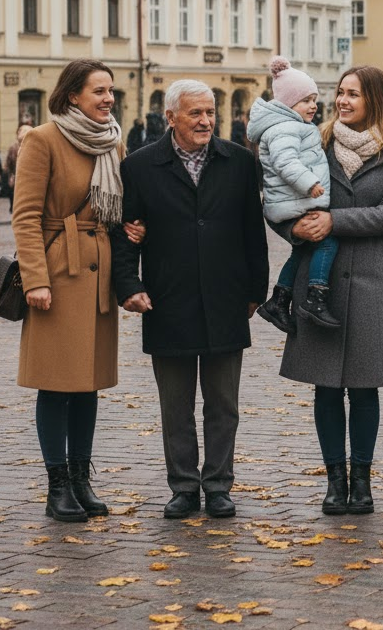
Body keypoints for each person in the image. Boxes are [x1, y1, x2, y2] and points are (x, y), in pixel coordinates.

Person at [112, 79, 269, 520]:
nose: (205, 121)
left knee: (223, 404)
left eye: (210, 113)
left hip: (226, 297)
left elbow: (252, 233)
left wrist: (256, 290)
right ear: (171, 119)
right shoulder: (141, 167)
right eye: (196, 114)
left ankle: (218, 485)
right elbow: (126, 235)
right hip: (168, 298)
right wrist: (129, 286)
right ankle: (183, 487)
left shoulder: (238, 161)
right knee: (175, 406)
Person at [277, 66, 383, 515]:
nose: (342, 100)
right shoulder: (313, 142)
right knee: (324, 387)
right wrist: (293, 226)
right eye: (340, 92)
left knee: (364, 388)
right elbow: (284, 196)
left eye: (353, 94)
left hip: (375, 279)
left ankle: (363, 481)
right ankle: (334, 481)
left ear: (374, 99)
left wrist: (335, 220)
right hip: (321, 280)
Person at [12, 60, 128, 522]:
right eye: (98, 91)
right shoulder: (43, 140)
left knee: (88, 384)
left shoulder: (111, 142)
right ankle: (56, 484)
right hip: (59, 274)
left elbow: (116, 208)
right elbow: (24, 217)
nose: (108, 99)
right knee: (56, 382)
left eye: (111, 91)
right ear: (73, 95)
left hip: (99, 275)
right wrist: (36, 279)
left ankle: (81, 479)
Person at [247, 57, 338, 332]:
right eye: (306, 101)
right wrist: (310, 183)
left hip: (292, 200)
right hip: (294, 200)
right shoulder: (285, 128)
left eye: (314, 100)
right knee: (327, 240)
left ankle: (279, 298)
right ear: (288, 104)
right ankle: (316, 298)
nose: (313, 106)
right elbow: (286, 163)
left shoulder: (293, 125)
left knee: (301, 251)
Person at [2, 122, 33, 214]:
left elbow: (7, 164)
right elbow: (8, 163)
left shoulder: (15, 147)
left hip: (19, 178)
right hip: (24, 179)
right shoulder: (30, 146)